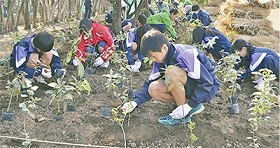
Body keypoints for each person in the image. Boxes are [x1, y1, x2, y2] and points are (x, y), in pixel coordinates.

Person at [120, 29, 220, 126]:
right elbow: (150, 82)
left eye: (153, 56)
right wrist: (134, 103)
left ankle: (184, 114)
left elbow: (207, 82)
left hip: (207, 89)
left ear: (164, 47)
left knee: (171, 72)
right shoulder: (161, 60)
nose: (153, 60)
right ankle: (188, 107)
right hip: (192, 87)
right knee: (153, 88)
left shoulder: (185, 54)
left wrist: (190, 105)